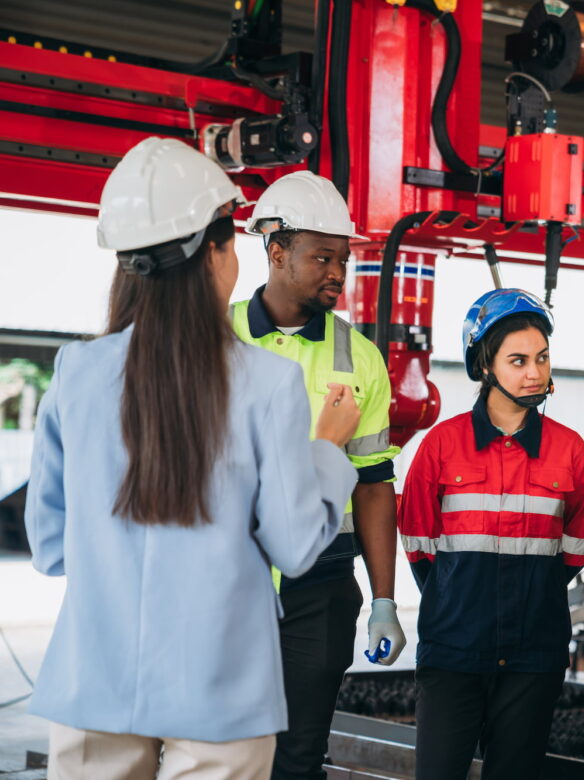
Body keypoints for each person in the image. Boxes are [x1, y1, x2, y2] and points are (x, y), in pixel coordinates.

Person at [24, 137, 360, 779]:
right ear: (215, 253)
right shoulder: (267, 384)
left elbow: (51, 547)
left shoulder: (76, 373)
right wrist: (328, 451)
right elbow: (294, 547)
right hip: (222, 688)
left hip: (93, 680)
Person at [231, 170, 404, 780]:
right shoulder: (212, 336)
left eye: (345, 258)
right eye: (322, 257)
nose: (337, 271)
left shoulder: (360, 358)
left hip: (321, 583)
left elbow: (375, 483)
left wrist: (384, 598)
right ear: (276, 252)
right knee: (221, 748)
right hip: (230, 578)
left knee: (300, 755)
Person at [397, 288, 584, 780]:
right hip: (453, 651)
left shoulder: (569, 450)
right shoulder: (441, 445)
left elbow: (575, 548)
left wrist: (527, 594)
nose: (535, 372)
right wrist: (459, 597)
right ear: (485, 365)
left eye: (542, 358)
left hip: (534, 654)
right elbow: (418, 543)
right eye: (519, 360)